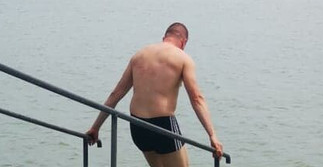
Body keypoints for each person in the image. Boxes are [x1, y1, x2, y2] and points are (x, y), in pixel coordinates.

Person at [84, 22, 223, 166]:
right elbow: (196, 99)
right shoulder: (182, 58)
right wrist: (212, 135)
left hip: (137, 125)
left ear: (165, 37)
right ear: (184, 41)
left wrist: (95, 127)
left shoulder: (139, 55)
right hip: (163, 125)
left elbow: (116, 94)